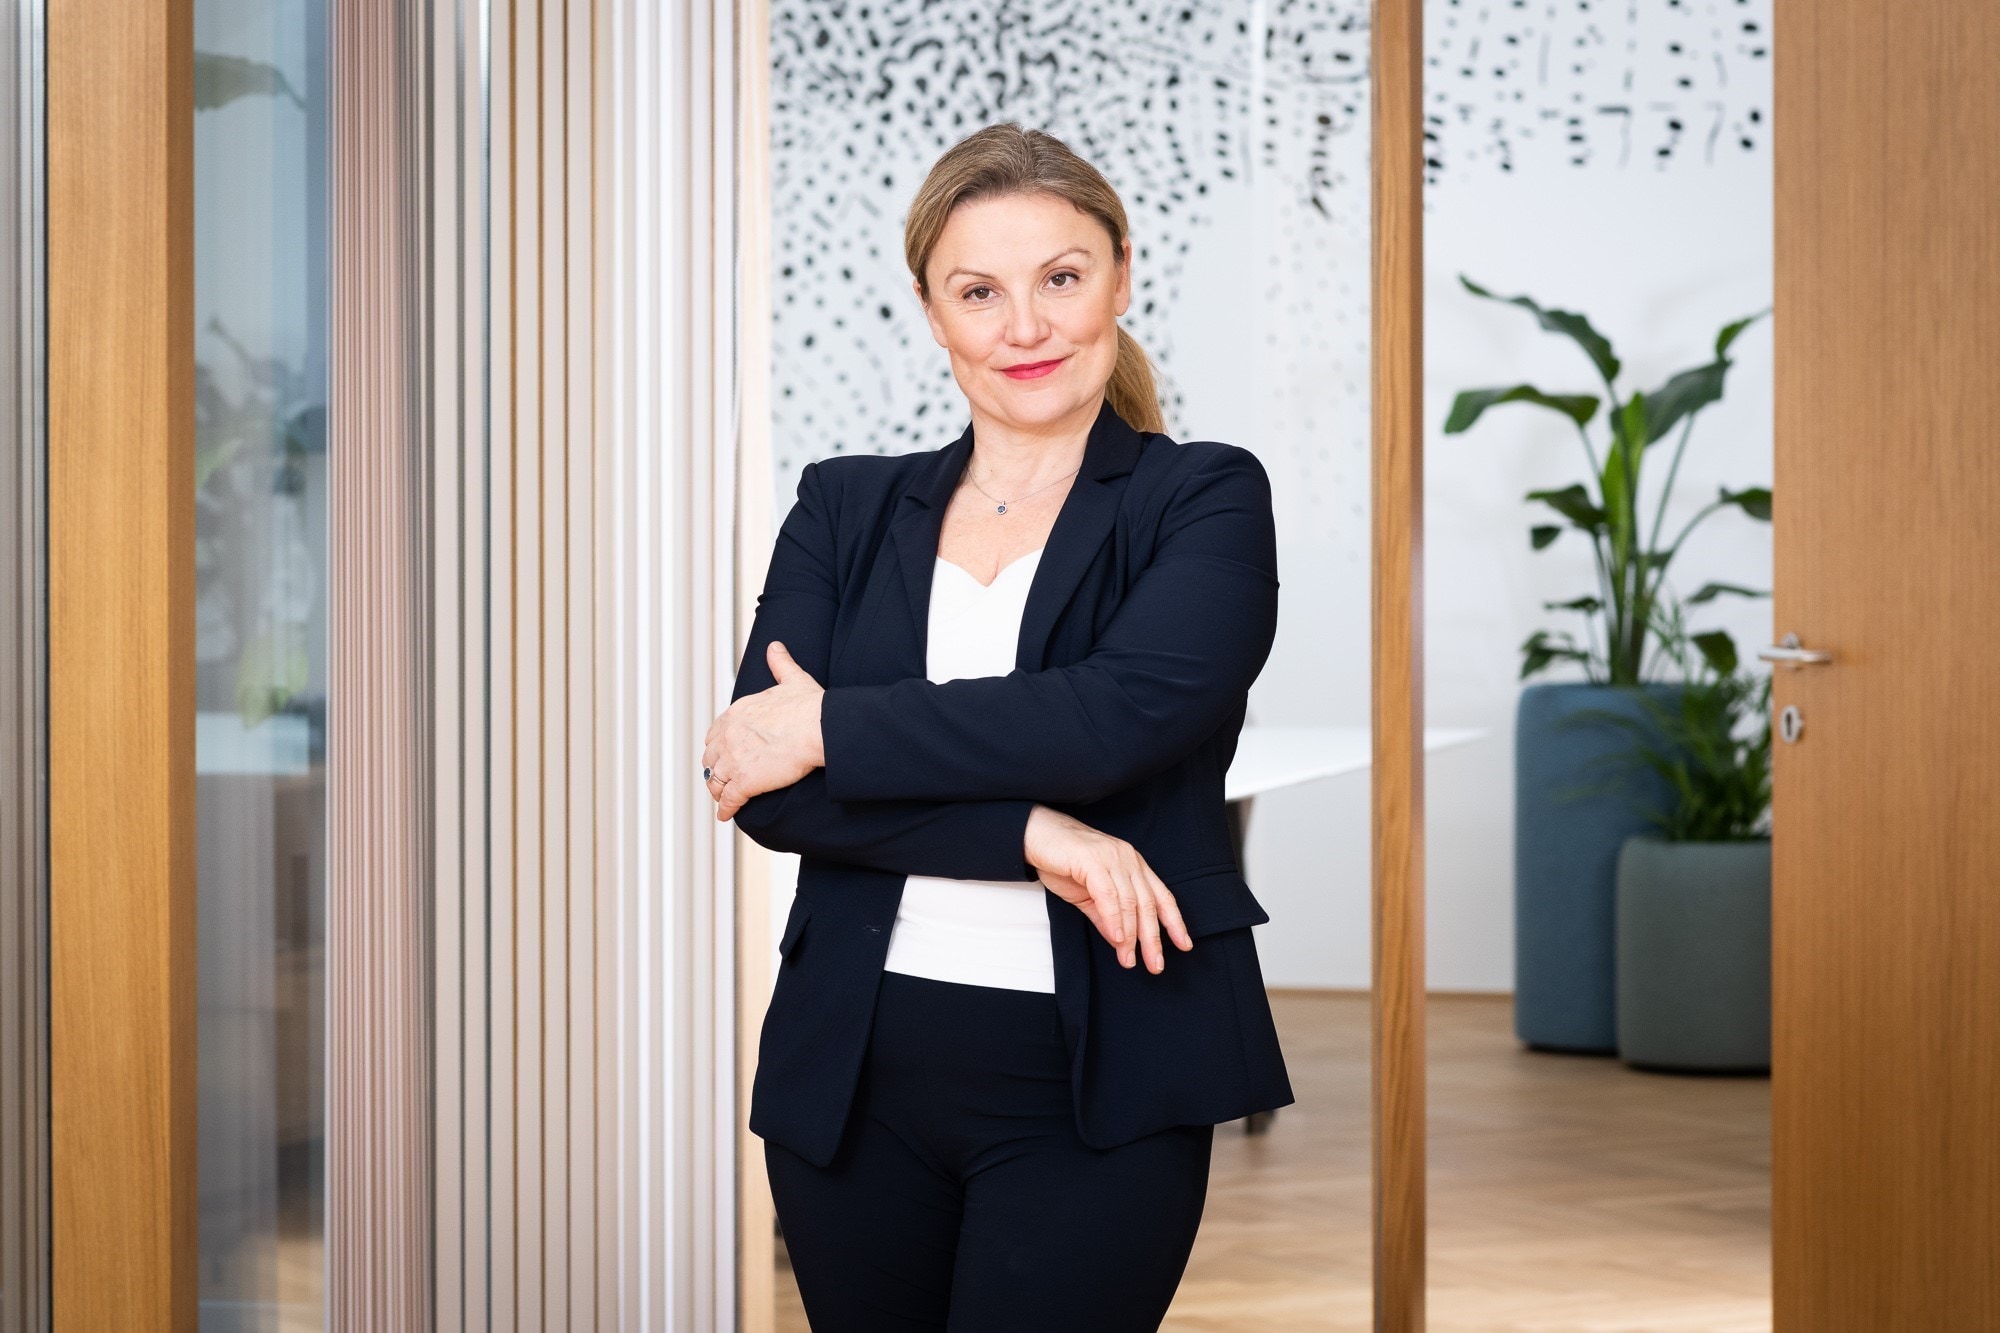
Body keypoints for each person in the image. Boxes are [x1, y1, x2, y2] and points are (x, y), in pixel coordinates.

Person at [701, 121, 1293, 1333]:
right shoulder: (842, 505)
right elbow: (765, 781)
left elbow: (1113, 717)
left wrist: (833, 726)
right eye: (978, 292)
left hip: (1106, 1068)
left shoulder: (1202, 496)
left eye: (1060, 278)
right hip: (852, 1069)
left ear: (1119, 276)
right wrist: (1030, 831)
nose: (1024, 327)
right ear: (932, 311)